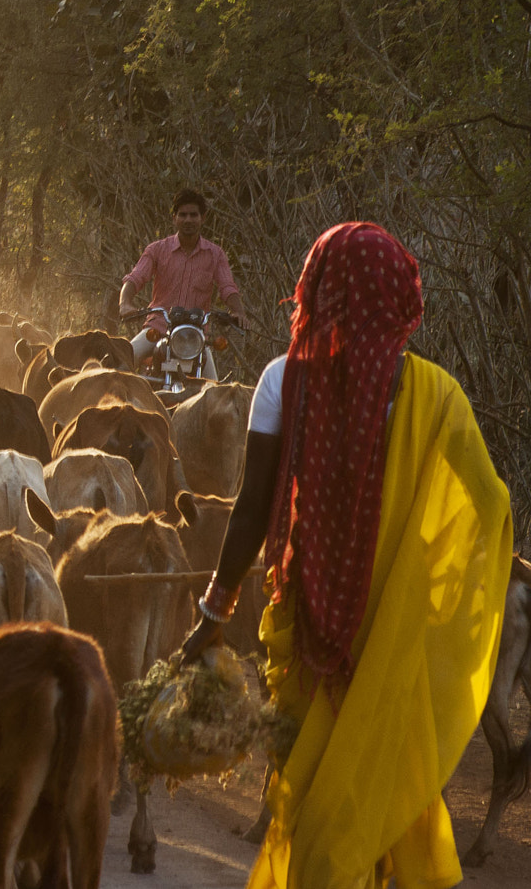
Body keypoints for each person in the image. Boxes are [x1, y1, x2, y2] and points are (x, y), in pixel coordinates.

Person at [178, 222, 513, 888]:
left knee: (314, 809)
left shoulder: (281, 380)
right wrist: (440, 587)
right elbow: (491, 507)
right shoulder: (438, 396)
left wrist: (212, 613)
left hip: (309, 630)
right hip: (394, 636)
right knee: (386, 794)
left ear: (317, 288)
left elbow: (251, 509)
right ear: (399, 296)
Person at [119, 188, 245, 375]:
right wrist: (125, 304)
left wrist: (238, 312)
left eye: (193, 215)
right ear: (174, 218)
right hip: (158, 329)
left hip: (196, 337)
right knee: (120, 366)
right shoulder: (157, 250)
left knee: (213, 391)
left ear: (203, 218)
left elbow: (227, 287)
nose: (188, 220)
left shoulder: (215, 254)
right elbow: (135, 278)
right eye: (183, 215)